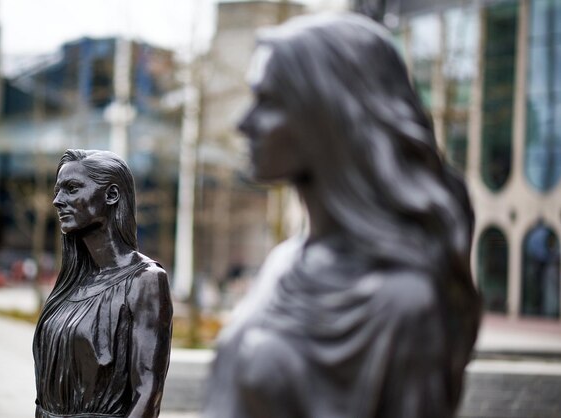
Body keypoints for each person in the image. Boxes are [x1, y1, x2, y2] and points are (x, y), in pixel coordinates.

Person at [204, 13, 481, 418]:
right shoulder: (285, 261)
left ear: (325, 114)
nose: (243, 123)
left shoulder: (402, 303)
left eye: (268, 101)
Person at [33, 149, 172, 418]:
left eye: (72, 188)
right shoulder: (72, 283)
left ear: (111, 195)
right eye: (57, 190)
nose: (57, 201)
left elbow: (147, 394)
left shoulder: (145, 281)